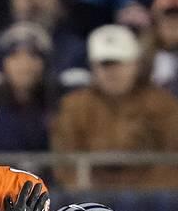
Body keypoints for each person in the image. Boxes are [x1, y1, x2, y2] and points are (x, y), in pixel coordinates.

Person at [52, 23, 178, 189]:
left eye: (119, 63)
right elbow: (65, 162)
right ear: (93, 67)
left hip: (151, 203)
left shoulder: (163, 105)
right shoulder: (74, 106)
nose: (112, 72)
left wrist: (137, 196)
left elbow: (171, 161)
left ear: (136, 64)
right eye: (105, 64)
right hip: (91, 200)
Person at [0, 22, 58, 153]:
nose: (24, 65)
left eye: (33, 55)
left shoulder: (58, 105)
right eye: (14, 55)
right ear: (3, 63)